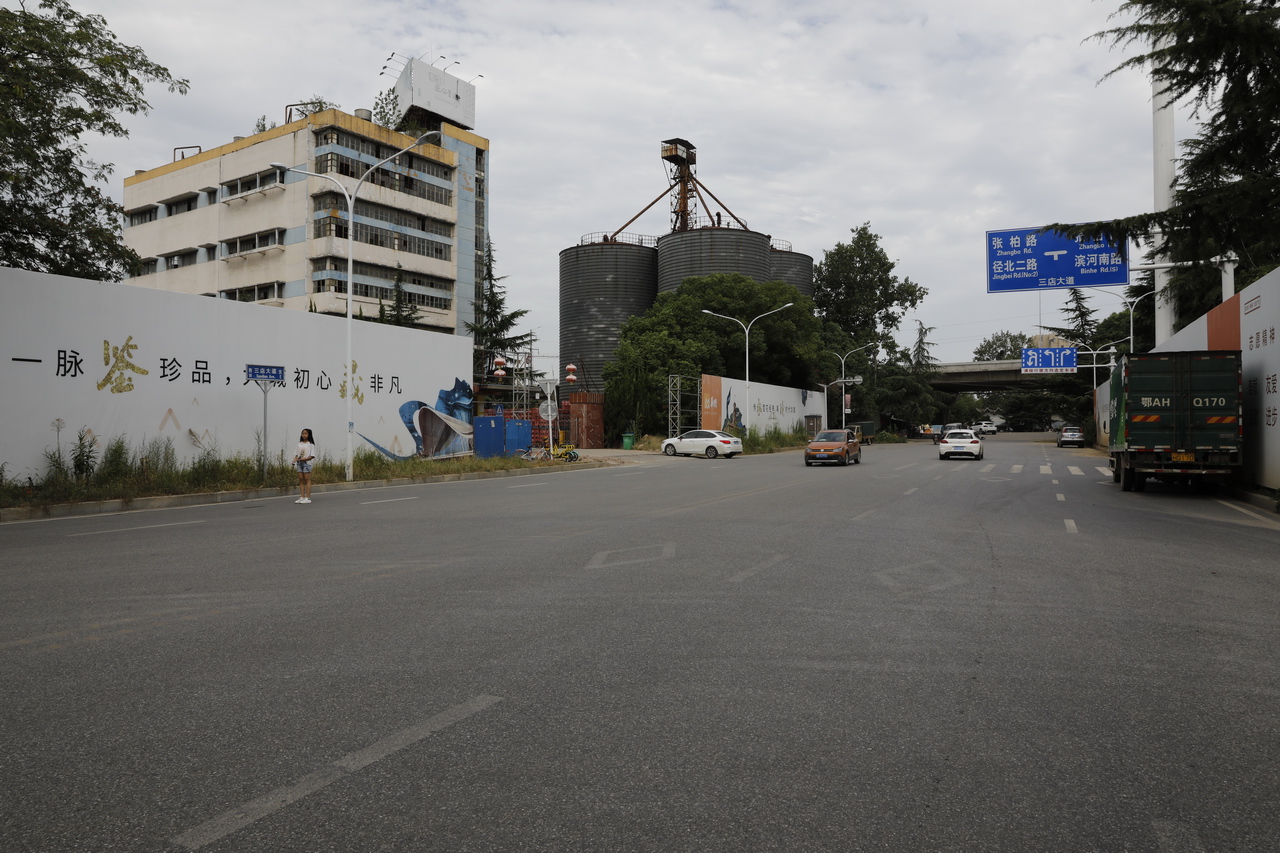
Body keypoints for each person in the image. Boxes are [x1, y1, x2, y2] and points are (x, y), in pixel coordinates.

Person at [293, 428, 316, 504]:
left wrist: (304, 459)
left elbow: (312, 456)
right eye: (303, 433)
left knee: (307, 479)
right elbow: (296, 454)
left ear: (309, 435)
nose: (304, 435)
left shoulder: (311, 444)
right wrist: (295, 459)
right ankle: (302, 496)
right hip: (299, 463)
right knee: (301, 479)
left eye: (306, 434)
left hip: (307, 463)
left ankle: (308, 497)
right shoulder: (299, 444)